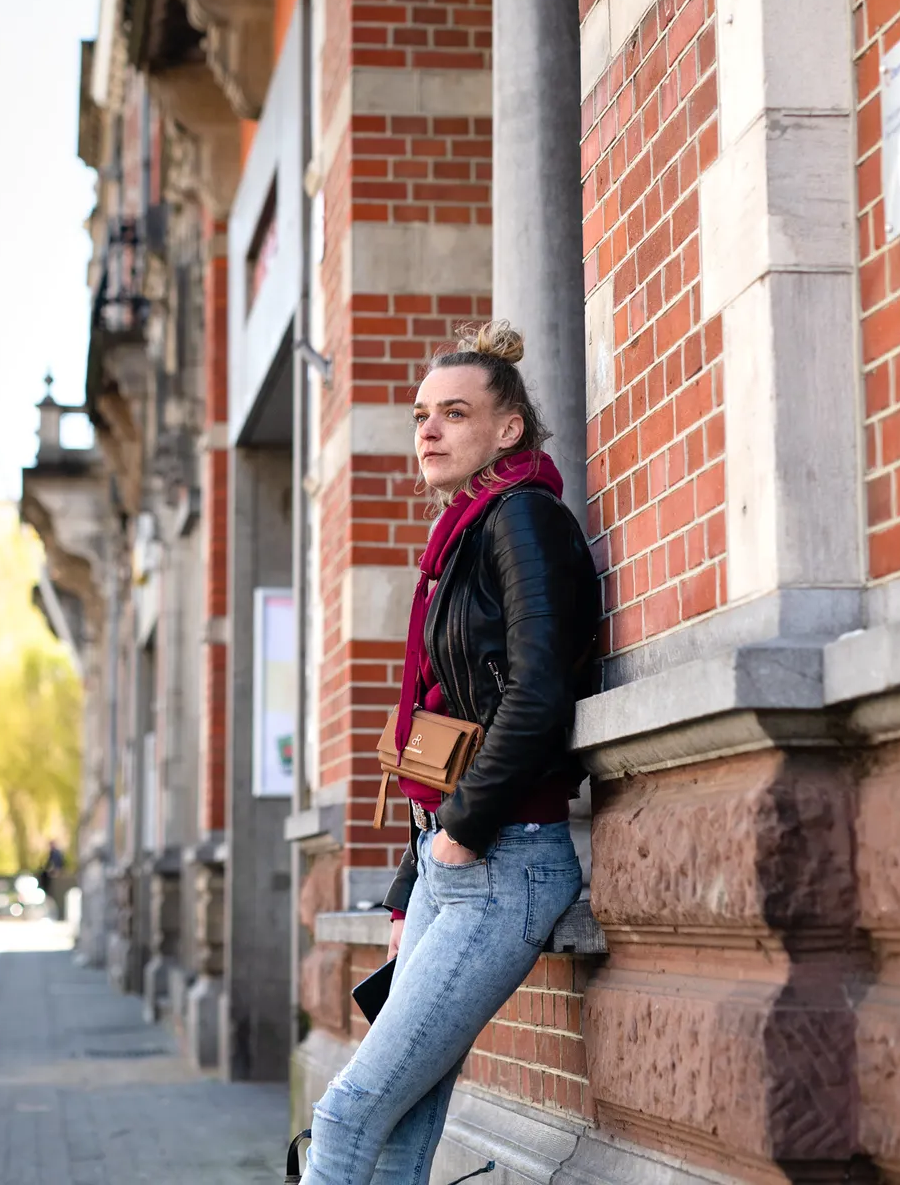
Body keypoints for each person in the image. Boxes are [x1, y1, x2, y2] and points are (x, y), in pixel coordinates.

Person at [299, 324, 599, 1184]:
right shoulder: (466, 535)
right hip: (454, 860)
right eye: (421, 415)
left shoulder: (524, 520)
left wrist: (461, 834)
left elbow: (538, 693)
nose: (428, 430)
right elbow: (443, 727)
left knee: (347, 1112)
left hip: (505, 861)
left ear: (509, 430)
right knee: (401, 1119)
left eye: (454, 414)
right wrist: (412, 883)